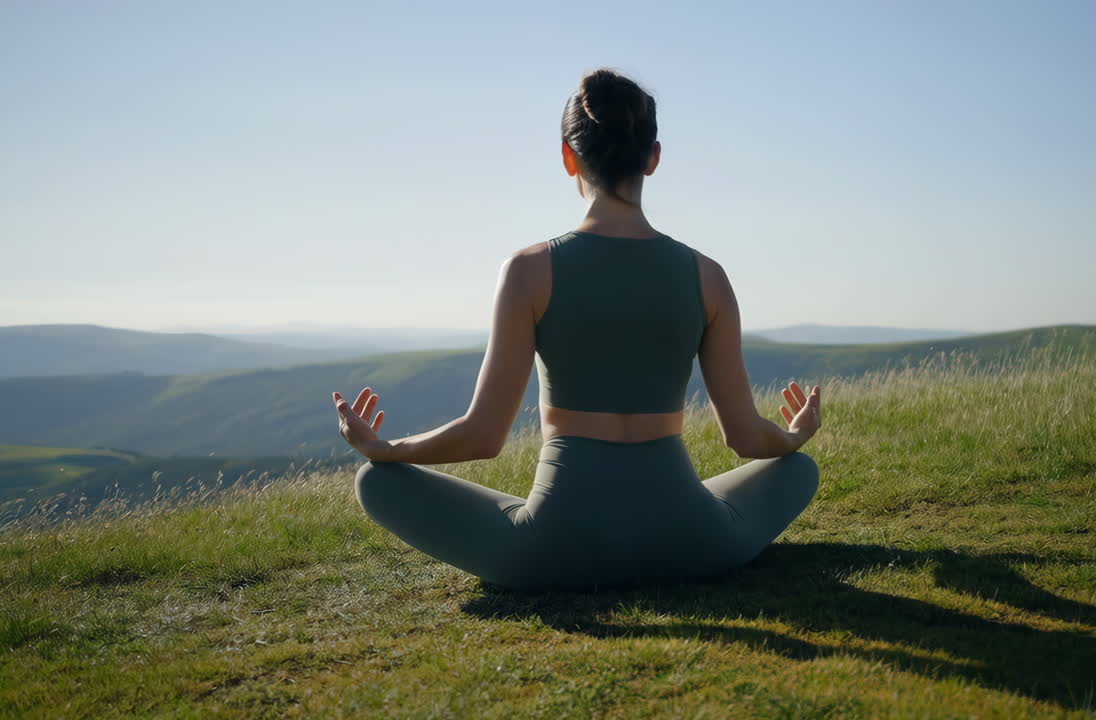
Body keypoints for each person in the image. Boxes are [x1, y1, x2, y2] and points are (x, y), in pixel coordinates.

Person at [333, 68, 822, 591]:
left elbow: (483, 435)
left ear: (568, 156)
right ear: (653, 158)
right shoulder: (708, 276)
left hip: (553, 551)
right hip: (693, 542)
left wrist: (391, 450)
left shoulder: (530, 270)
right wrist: (793, 436)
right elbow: (747, 439)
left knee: (375, 482)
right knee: (799, 469)